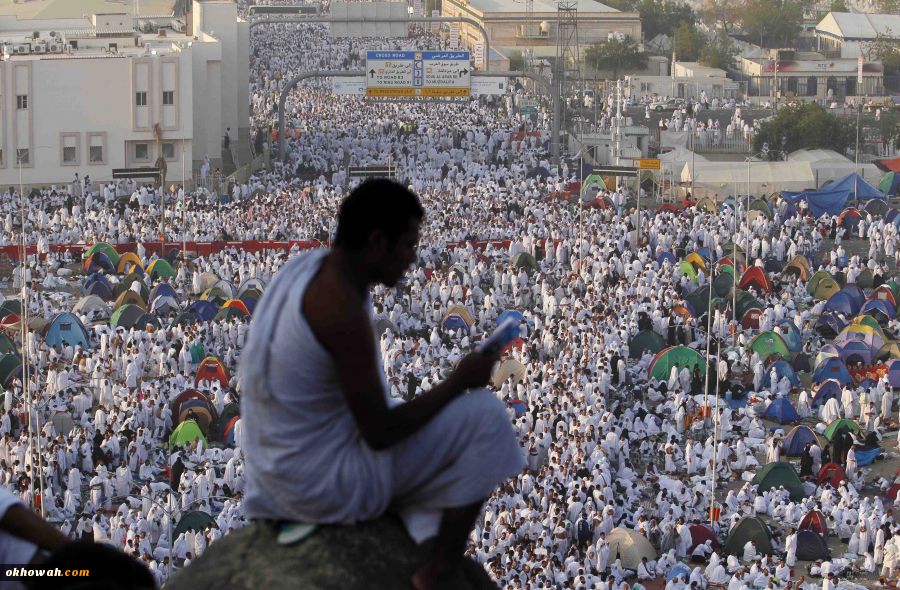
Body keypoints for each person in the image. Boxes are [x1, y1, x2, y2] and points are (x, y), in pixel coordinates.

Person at [239, 179, 525, 590]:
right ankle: (436, 570)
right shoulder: (339, 305)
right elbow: (379, 433)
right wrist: (459, 381)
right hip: (318, 489)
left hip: (283, 476)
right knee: (486, 418)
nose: (412, 258)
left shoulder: (306, 270)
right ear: (376, 242)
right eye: (407, 245)